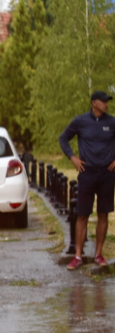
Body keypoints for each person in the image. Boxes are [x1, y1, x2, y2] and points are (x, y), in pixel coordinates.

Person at [60, 90, 115, 270]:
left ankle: (98, 254)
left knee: (103, 213)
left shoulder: (112, 122)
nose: (107, 104)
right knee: (82, 214)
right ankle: (78, 256)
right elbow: (63, 139)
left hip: (107, 173)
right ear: (94, 103)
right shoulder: (80, 121)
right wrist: (73, 158)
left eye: (108, 101)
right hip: (87, 172)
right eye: (103, 101)